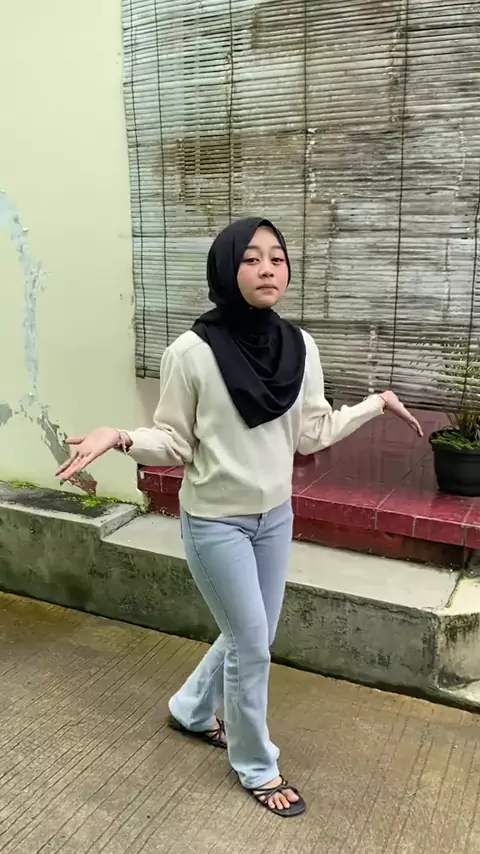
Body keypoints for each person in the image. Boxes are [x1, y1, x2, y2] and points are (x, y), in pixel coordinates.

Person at [56, 217, 423, 817]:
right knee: (252, 645)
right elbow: (176, 442)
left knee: (249, 636)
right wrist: (121, 436)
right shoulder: (190, 353)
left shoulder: (300, 347)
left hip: (274, 518)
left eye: (277, 258)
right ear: (227, 269)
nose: (267, 269)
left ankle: (190, 710)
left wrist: (373, 405)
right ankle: (256, 764)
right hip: (215, 523)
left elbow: (310, 434)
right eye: (251, 259)